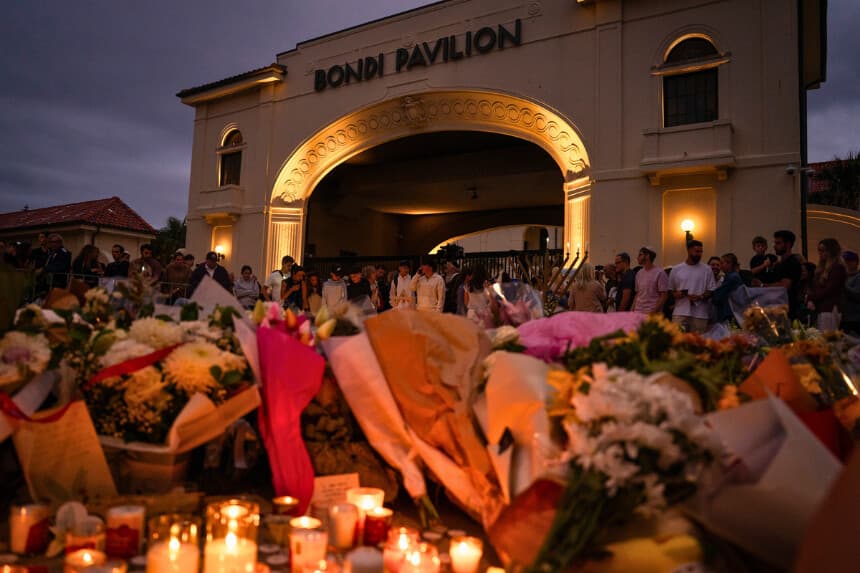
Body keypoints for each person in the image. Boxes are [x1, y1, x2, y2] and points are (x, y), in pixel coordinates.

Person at [668, 240, 716, 333]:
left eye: (701, 251)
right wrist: (676, 294)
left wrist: (700, 297)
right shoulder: (676, 269)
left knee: (698, 343)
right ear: (689, 251)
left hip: (700, 313)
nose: (699, 254)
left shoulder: (707, 269)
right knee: (677, 340)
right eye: (697, 251)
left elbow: (711, 290)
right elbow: (670, 290)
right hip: (680, 311)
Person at [760, 230, 803, 319]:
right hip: (776, 307)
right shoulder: (780, 264)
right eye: (775, 243)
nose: (775, 246)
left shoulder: (792, 262)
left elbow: (784, 286)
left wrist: (762, 285)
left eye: (778, 243)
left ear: (788, 244)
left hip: (787, 309)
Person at [808, 238, 847, 327]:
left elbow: (829, 290)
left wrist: (811, 296)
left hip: (830, 308)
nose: (820, 253)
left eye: (823, 250)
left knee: (828, 336)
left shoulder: (837, 268)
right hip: (822, 308)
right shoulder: (823, 269)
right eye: (819, 250)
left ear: (831, 252)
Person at [632, 246, 669, 315]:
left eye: (640, 255)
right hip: (638, 312)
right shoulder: (639, 273)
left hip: (652, 313)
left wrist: (653, 312)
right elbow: (638, 293)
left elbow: (663, 296)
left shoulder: (660, 273)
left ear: (647, 256)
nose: (637, 257)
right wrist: (632, 310)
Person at [710, 253, 744, 324]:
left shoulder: (732, 277)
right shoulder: (730, 276)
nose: (720, 266)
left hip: (729, 313)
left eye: (722, 263)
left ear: (729, 264)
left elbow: (718, 295)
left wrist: (710, 294)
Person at [841, 251, 860, 335]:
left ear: (856, 262)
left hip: (855, 318)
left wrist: (842, 285)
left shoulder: (858, 277)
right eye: (844, 261)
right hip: (843, 317)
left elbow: (857, 295)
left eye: (848, 261)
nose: (846, 263)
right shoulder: (844, 276)